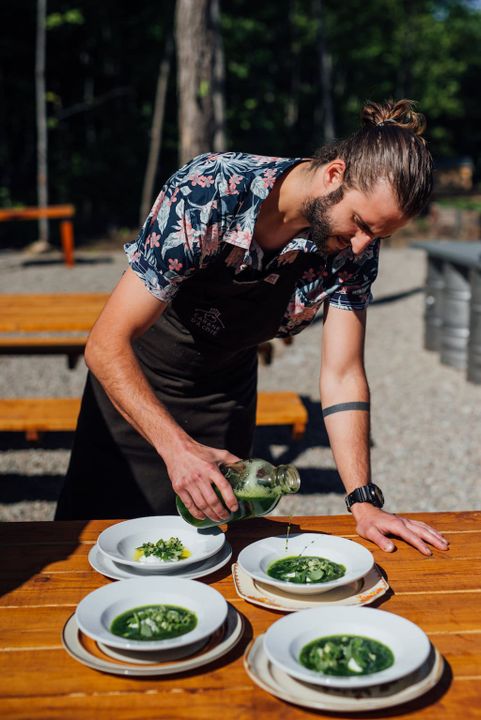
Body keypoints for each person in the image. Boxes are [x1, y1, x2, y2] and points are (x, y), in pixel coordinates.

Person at [55, 98, 448, 557]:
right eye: (360, 225)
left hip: (224, 399)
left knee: (205, 557)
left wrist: (363, 501)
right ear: (334, 174)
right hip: (137, 389)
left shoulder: (354, 248)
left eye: (377, 237)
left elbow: (342, 374)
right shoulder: (210, 192)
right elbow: (105, 345)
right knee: (91, 553)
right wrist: (177, 449)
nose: (362, 247)